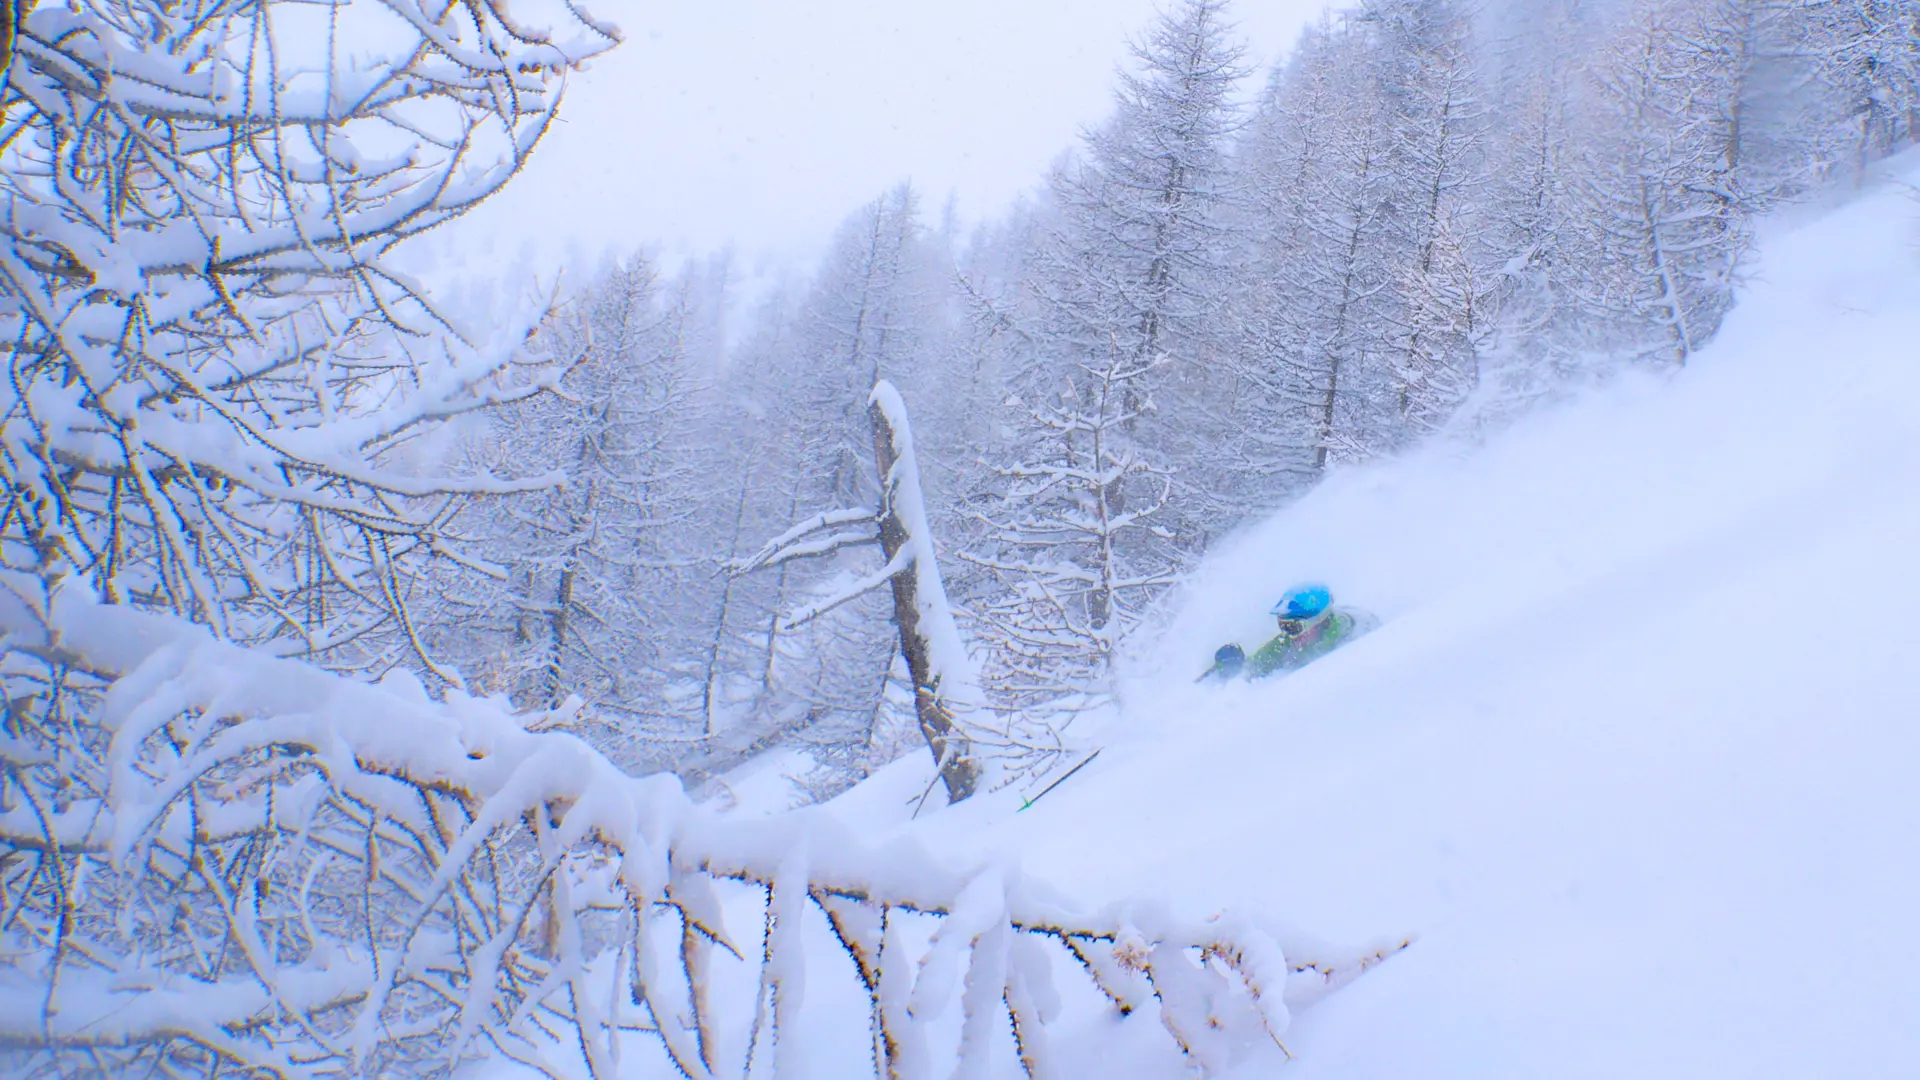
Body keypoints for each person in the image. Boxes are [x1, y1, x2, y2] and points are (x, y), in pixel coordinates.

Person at [1203, 583, 1374, 682]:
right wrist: (1234, 665)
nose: (1289, 634)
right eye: (1283, 625)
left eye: (1294, 627)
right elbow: (1255, 667)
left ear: (1319, 621)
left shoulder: (1352, 640)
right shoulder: (1291, 641)